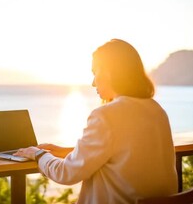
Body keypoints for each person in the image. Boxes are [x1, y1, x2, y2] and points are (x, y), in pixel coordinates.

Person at [14, 39, 178, 203]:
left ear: (110, 72)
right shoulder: (156, 110)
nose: (93, 83)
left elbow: (66, 173)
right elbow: (126, 152)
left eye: (95, 73)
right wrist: (68, 152)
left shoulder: (106, 115)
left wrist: (37, 154)